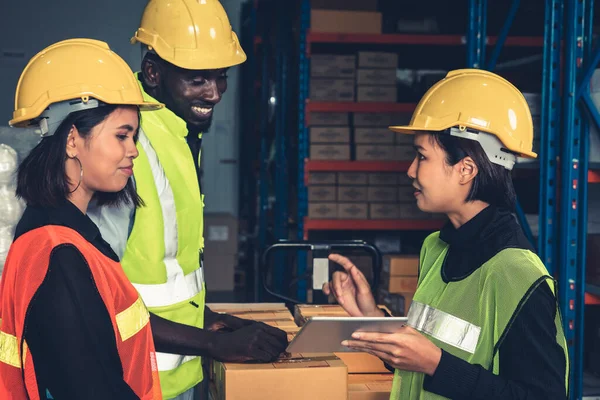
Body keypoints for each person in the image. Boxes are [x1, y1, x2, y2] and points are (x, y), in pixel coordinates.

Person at [323, 69, 569, 400]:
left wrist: (437, 365)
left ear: (466, 169)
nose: (410, 170)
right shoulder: (436, 248)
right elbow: (438, 347)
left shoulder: (517, 274)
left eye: (422, 156)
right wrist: (370, 316)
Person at [88, 1, 287, 399]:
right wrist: (212, 344)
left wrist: (210, 321)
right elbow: (94, 298)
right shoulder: (125, 142)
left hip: (174, 372)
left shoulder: (177, 132)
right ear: (153, 73)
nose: (213, 93)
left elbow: (163, 273)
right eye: (197, 79)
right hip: (128, 380)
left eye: (221, 76)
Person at [0, 39, 164, 399]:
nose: (133, 150)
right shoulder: (57, 254)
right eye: (122, 135)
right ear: (72, 139)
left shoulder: (69, 233)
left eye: (134, 136)